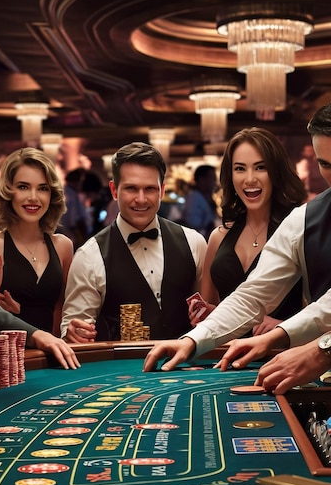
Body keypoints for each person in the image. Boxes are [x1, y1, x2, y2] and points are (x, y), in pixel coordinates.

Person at [142, 103, 331, 375]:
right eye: (325, 164)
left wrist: (280, 334)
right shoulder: (304, 219)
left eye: (260, 168)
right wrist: (193, 339)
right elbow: (253, 295)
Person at [61, 141, 207, 343]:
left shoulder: (195, 243)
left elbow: (209, 314)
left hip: (187, 369)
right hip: (120, 372)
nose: (141, 199)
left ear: (162, 191)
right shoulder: (89, 256)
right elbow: (74, 332)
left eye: (149, 189)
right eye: (131, 188)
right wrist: (74, 333)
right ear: (114, 190)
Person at [190, 127, 307, 335]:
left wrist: (284, 325)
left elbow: (322, 309)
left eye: (260, 167)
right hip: (226, 359)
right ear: (230, 175)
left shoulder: (299, 230)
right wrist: (208, 313)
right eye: (240, 169)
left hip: (284, 357)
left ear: (276, 172)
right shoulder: (218, 237)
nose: (250, 179)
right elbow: (211, 312)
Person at [0, 144, 79, 370]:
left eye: (42, 188)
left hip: (53, 359)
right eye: (23, 187)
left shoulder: (63, 246)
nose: (33, 197)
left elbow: (60, 310)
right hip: (5, 364)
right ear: (8, 191)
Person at [180, 164, 221, 239]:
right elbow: (192, 227)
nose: (215, 183)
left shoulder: (205, 198)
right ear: (201, 180)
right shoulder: (194, 199)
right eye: (212, 179)